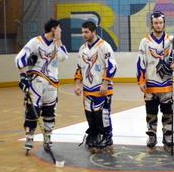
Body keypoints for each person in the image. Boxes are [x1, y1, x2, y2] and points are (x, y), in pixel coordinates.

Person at [15, 18, 69, 154]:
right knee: (33, 111)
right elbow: (20, 58)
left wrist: (58, 40)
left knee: (50, 111)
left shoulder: (57, 44)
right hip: (37, 81)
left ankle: (48, 138)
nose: (61, 30)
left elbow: (63, 57)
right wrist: (23, 77)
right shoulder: (35, 42)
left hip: (53, 83)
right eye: (59, 28)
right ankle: (29, 138)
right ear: (53, 29)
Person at [136, 11, 174, 150]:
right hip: (150, 85)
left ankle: (168, 136)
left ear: (164, 23)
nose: (158, 25)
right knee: (150, 113)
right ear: (152, 24)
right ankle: (151, 135)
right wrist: (141, 80)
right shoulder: (145, 42)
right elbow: (140, 62)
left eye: (160, 23)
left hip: (166, 85)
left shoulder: (171, 40)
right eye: (155, 23)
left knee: (167, 113)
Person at [74, 20, 117, 151]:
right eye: (82, 32)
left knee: (103, 115)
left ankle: (107, 136)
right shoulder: (82, 49)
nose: (83, 34)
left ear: (94, 32)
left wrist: (105, 83)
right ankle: (93, 135)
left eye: (86, 32)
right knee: (90, 115)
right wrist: (77, 85)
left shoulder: (104, 46)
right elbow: (79, 68)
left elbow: (112, 66)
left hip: (102, 88)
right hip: (88, 89)